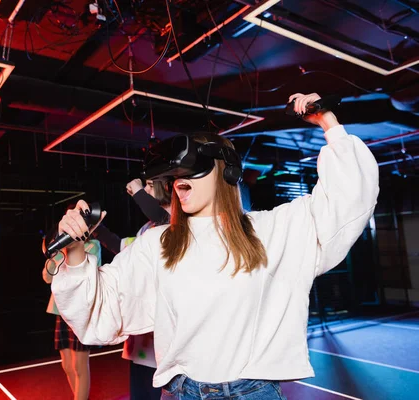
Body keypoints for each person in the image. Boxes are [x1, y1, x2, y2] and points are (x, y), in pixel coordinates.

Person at [50, 93, 380, 399]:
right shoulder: (158, 245)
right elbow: (101, 309)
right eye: (173, 174)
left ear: (226, 171)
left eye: (190, 168)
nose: (178, 180)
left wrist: (329, 123)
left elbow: (346, 201)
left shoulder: (271, 231)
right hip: (185, 392)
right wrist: (76, 254)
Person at [93, 178, 170, 399]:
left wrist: (137, 191)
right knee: (141, 394)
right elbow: (120, 247)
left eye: (149, 184)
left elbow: (163, 217)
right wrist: (97, 229)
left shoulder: (178, 222)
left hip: (165, 336)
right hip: (143, 338)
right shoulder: (147, 228)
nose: (144, 189)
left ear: (165, 187)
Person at [42, 227, 102, 400]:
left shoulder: (92, 245)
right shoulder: (59, 248)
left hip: (80, 311)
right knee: (67, 365)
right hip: (61, 311)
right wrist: (52, 256)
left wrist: (66, 252)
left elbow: (89, 274)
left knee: (79, 366)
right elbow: (47, 278)